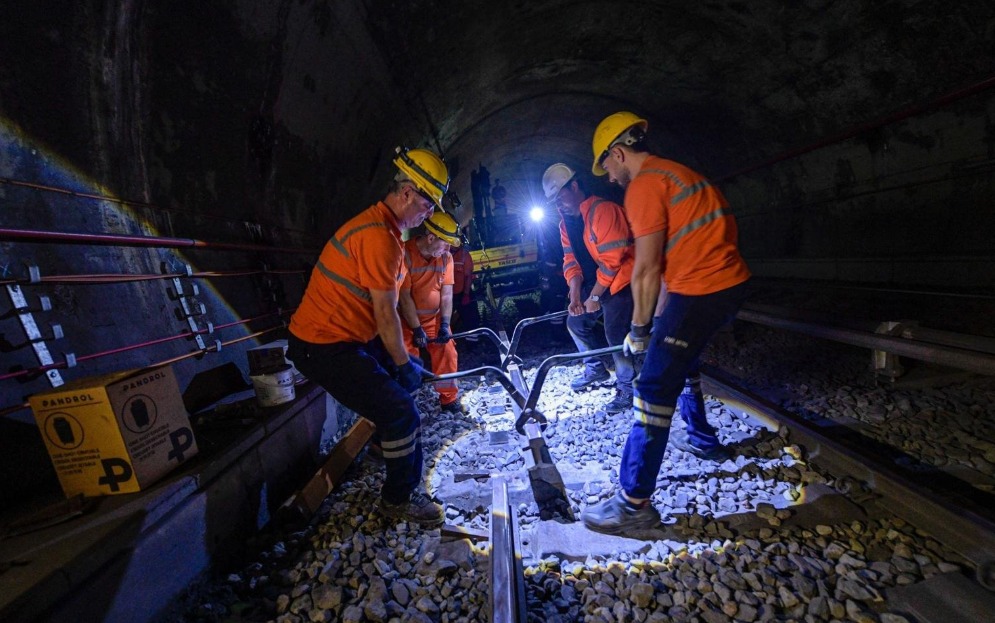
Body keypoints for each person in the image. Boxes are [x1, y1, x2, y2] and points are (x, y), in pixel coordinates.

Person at [581, 112, 751, 534]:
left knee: (653, 388)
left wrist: (638, 332)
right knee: (681, 359)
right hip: (726, 286)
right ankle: (701, 439)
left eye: (607, 166)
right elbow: (679, 256)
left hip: (700, 291)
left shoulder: (644, 186)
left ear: (619, 153)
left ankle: (633, 503)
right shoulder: (680, 174)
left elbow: (646, 269)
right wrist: (658, 323)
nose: (609, 177)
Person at [285, 146, 450, 526]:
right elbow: (385, 314)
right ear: (407, 192)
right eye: (428, 204)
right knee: (401, 410)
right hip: (323, 345)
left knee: (398, 389)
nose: (429, 214)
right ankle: (398, 499)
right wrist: (401, 362)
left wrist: (403, 362)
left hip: (344, 337)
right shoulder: (380, 238)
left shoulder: (385, 230)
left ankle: (382, 447)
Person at [542, 162, 637, 414]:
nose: (558, 205)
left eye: (560, 197)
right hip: (597, 283)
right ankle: (595, 368)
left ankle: (628, 388)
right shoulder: (565, 224)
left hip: (623, 281)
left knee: (615, 334)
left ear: (574, 187)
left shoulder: (603, 210)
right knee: (575, 323)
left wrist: (594, 296)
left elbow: (613, 261)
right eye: (553, 202)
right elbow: (570, 261)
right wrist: (575, 296)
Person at [398, 210, 464, 414]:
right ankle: (406, 405)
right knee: (405, 358)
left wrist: (444, 324)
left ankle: (449, 400)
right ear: (430, 238)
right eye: (445, 244)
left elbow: (447, 294)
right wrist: (417, 329)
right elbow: (404, 297)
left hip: (434, 319)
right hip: (406, 321)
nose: (448, 249)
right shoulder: (404, 254)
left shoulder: (446, 258)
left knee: (447, 352)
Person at [449, 235, 480, 337]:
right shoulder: (442, 253)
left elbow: (468, 276)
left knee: (471, 316)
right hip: (447, 294)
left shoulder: (464, 255)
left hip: (461, 292)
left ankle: (472, 340)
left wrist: (466, 294)